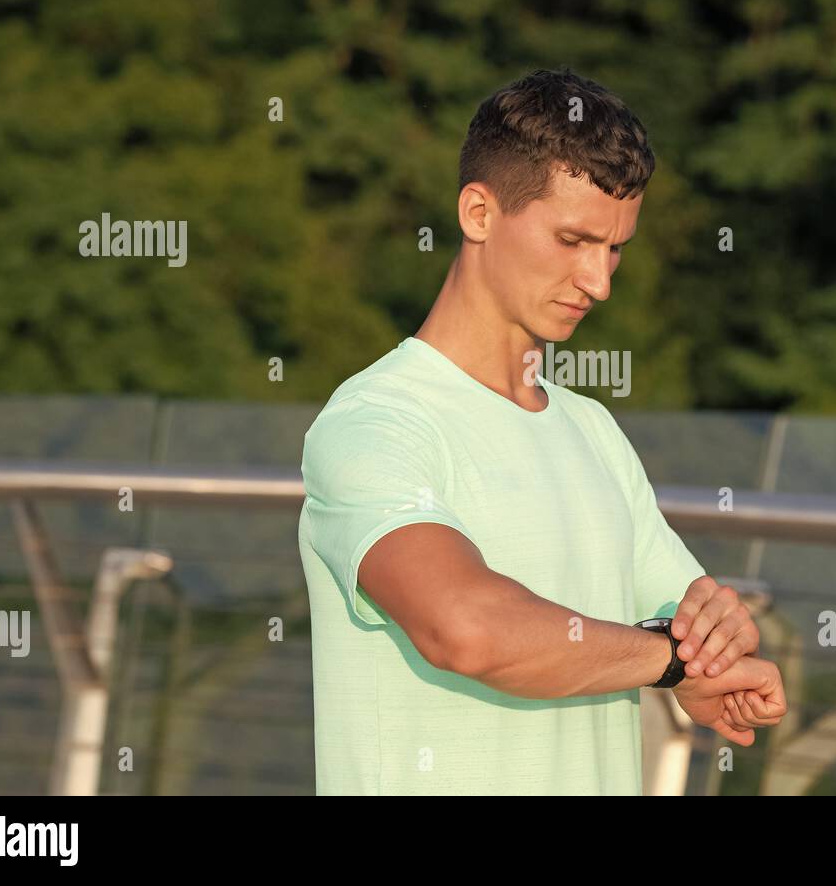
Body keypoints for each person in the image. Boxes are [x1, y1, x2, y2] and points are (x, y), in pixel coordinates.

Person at [298, 67, 786, 795]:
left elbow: (693, 626)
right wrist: (671, 660)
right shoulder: (373, 423)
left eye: (615, 247)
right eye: (572, 240)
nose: (600, 281)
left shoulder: (593, 431)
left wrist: (721, 645)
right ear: (477, 213)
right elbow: (466, 627)